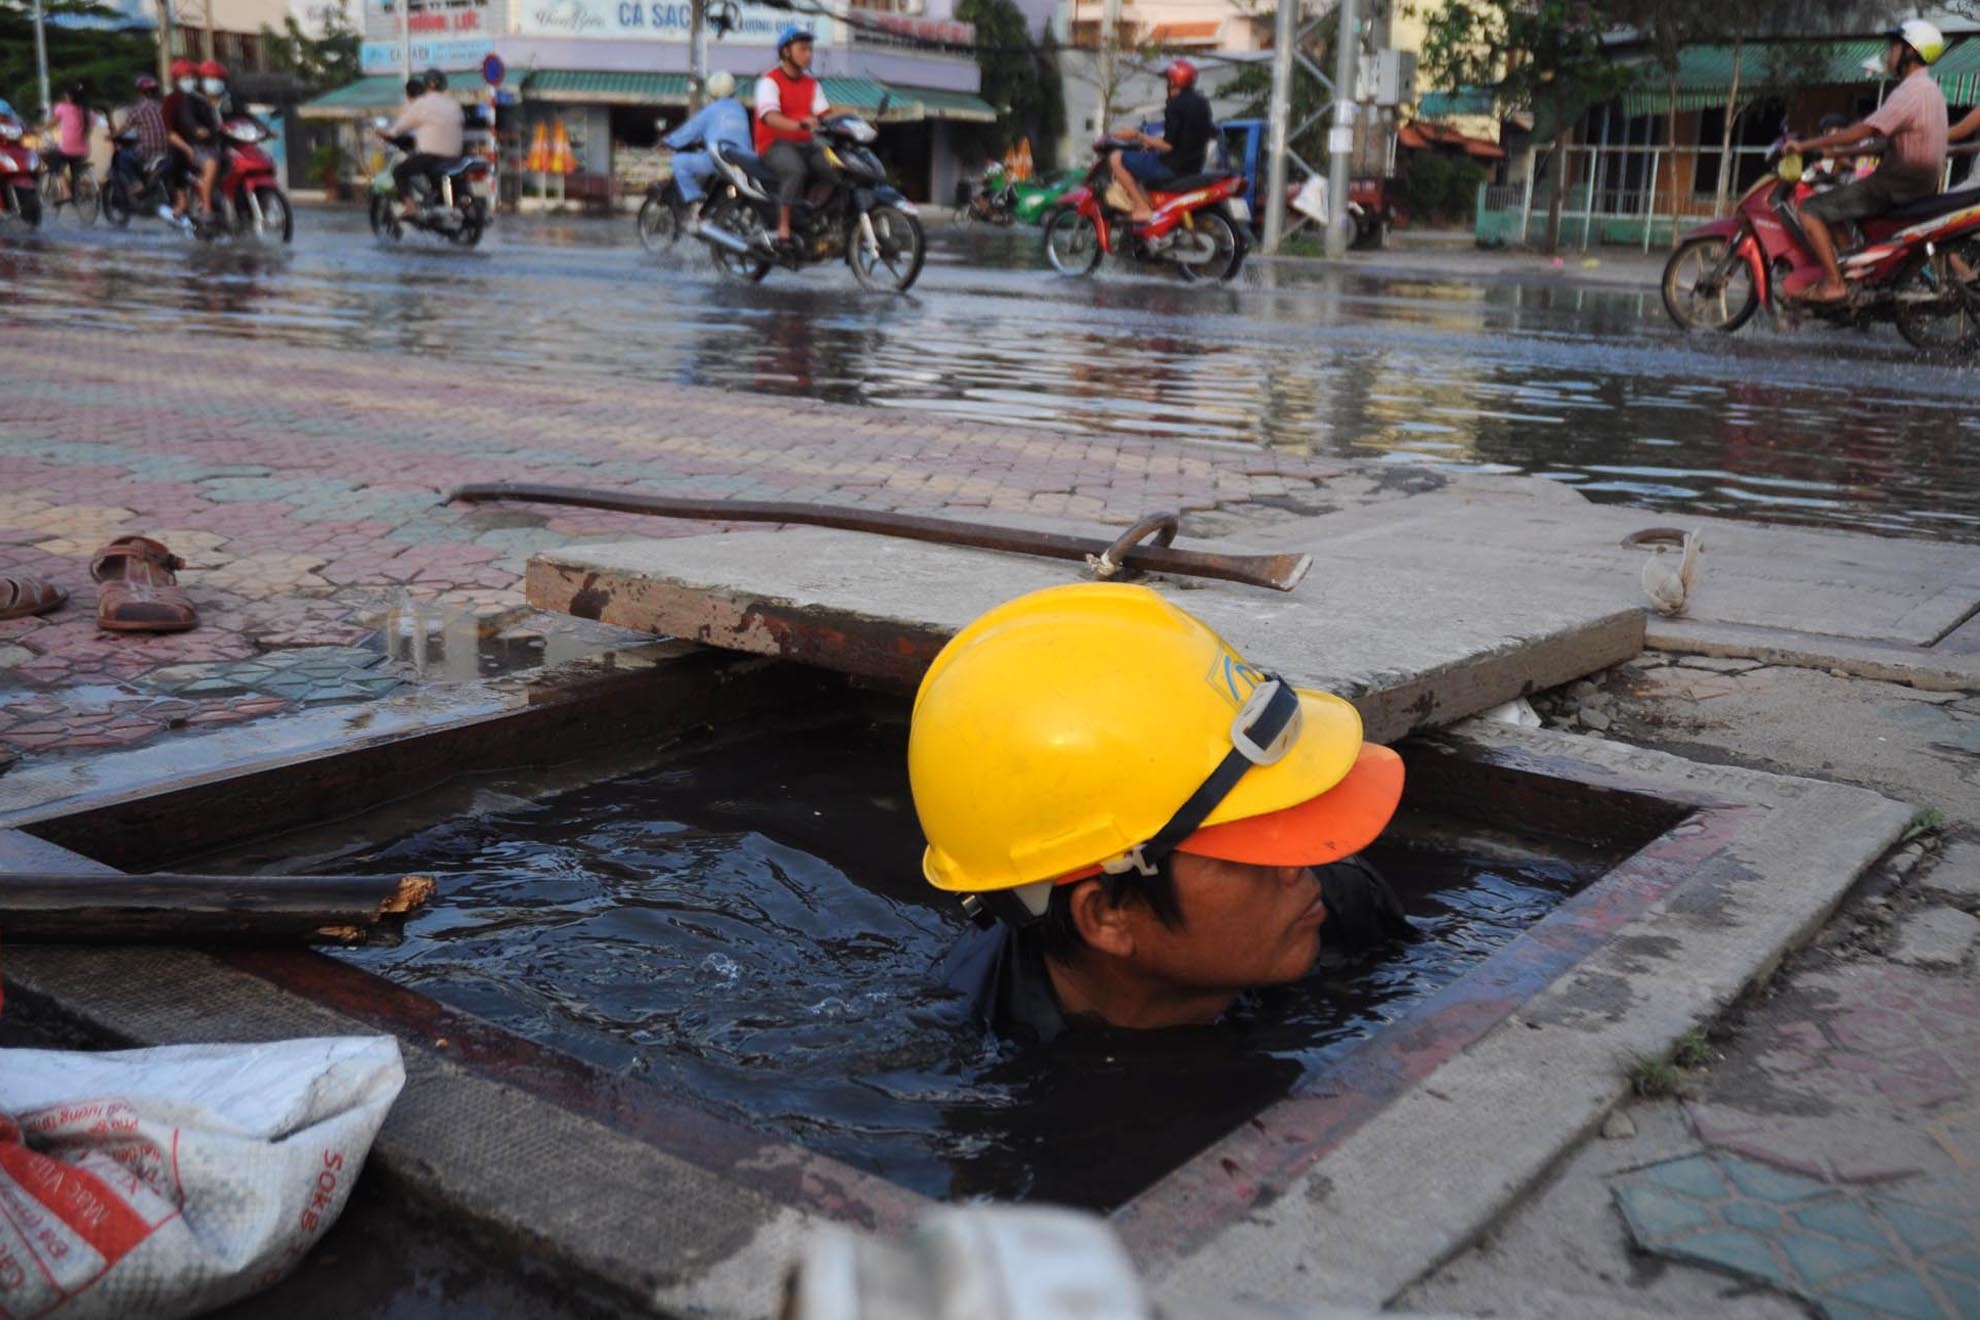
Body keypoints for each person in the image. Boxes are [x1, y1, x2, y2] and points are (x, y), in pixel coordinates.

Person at [912, 583, 1413, 1041]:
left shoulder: (1343, 905)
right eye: (1243, 840)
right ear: (1107, 915)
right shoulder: (979, 1067)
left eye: (1277, 814)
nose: (1299, 862)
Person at [1782, 20, 1948, 304]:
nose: (1889, 53)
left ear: (1910, 51)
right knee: (1838, 205)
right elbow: (1889, 140)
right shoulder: (1931, 90)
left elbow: (1864, 130)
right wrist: (1835, 154)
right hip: (1918, 184)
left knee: (1809, 210)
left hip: (1892, 186)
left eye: (1894, 47)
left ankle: (1834, 284)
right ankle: (1852, 270)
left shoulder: (1910, 92)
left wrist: (1805, 145)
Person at [754, 24, 841, 253]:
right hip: (773, 145)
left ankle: (809, 214)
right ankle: (783, 229)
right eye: (803, 49)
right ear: (786, 52)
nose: (809, 55)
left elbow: (825, 115)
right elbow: (770, 117)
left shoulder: (811, 84)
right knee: (795, 170)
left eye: (810, 50)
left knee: (834, 171)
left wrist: (854, 122)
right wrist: (799, 123)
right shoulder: (769, 81)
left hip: (804, 144)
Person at [1108, 59, 1214, 227]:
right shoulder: (1202, 103)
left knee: (1116, 158)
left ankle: (1142, 208)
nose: (1167, 85)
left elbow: (1168, 145)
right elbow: (1187, 137)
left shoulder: (1175, 104)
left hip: (1172, 167)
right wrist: (1152, 143)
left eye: (1168, 80)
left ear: (1174, 81)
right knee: (1144, 158)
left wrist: (1137, 135)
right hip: (1193, 166)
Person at [664, 69, 750, 230]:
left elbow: (688, 132)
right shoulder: (740, 109)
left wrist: (668, 141)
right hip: (744, 161)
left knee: (679, 162)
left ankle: (696, 202)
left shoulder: (712, 110)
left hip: (720, 159)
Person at [381, 68, 464, 219]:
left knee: (399, 171)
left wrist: (387, 133)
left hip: (430, 157)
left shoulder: (423, 104)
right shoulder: (453, 104)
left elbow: (400, 126)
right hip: (455, 156)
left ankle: (410, 206)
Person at [166, 58, 224, 224]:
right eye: (210, 79)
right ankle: (206, 208)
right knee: (211, 163)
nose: (214, 83)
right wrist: (196, 130)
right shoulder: (190, 100)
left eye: (217, 79)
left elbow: (242, 116)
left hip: (218, 144)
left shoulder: (226, 99)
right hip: (196, 145)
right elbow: (187, 120)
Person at [114, 75, 174, 221]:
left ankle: (137, 183)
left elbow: (123, 129)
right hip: (168, 150)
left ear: (140, 92)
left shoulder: (138, 109)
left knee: (122, 156)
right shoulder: (164, 107)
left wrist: (111, 136)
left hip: (148, 152)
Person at [43, 83, 93, 205]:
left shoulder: (62, 108)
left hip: (67, 149)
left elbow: (52, 123)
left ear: (69, 97)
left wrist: (40, 129)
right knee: (75, 168)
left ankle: (66, 193)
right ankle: (80, 189)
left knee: (55, 164)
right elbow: (89, 127)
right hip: (83, 150)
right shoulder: (86, 111)